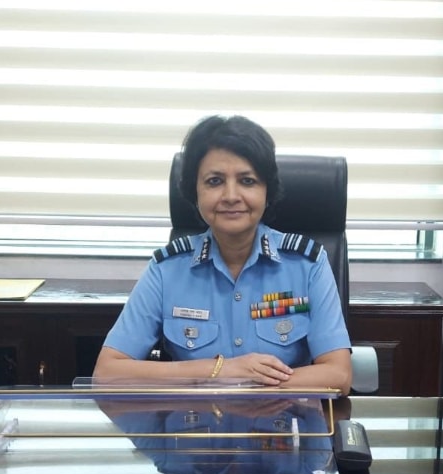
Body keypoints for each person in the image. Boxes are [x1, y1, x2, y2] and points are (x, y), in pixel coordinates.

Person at [92, 115, 353, 392]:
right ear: (194, 192)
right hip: (194, 419)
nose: (230, 196)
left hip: (282, 416)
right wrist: (220, 370)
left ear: (267, 191)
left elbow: (338, 375)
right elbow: (107, 373)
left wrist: (249, 390)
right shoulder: (166, 269)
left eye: (247, 181)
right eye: (214, 181)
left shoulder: (307, 264)